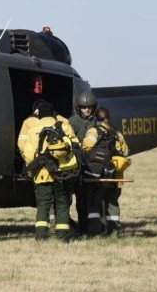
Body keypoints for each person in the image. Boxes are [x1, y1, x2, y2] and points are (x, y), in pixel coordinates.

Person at [21, 100, 80, 242]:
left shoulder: (33, 130)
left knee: (43, 205)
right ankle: (63, 235)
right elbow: (75, 147)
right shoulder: (64, 126)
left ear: (39, 114)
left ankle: (41, 236)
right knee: (62, 204)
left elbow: (28, 155)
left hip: (42, 174)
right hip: (63, 173)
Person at [82, 106, 130, 237]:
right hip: (115, 176)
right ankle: (114, 232)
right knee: (112, 203)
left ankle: (95, 232)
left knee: (94, 204)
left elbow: (85, 147)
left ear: (96, 118)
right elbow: (126, 151)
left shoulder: (94, 131)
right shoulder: (116, 132)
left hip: (97, 176)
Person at [69, 91, 98, 236]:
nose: (87, 109)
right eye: (83, 107)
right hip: (77, 165)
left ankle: (90, 228)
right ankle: (78, 227)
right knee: (77, 199)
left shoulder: (96, 122)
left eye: (89, 107)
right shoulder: (72, 122)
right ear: (78, 108)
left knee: (89, 200)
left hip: (93, 165)